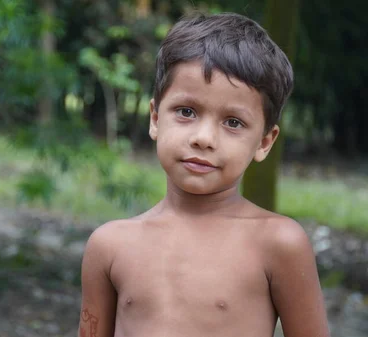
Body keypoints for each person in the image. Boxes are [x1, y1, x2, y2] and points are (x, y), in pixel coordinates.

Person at [78, 12, 330, 337]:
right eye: (186, 112)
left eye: (233, 122)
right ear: (155, 118)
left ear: (264, 142)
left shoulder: (279, 243)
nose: (204, 138)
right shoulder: (109, 246)